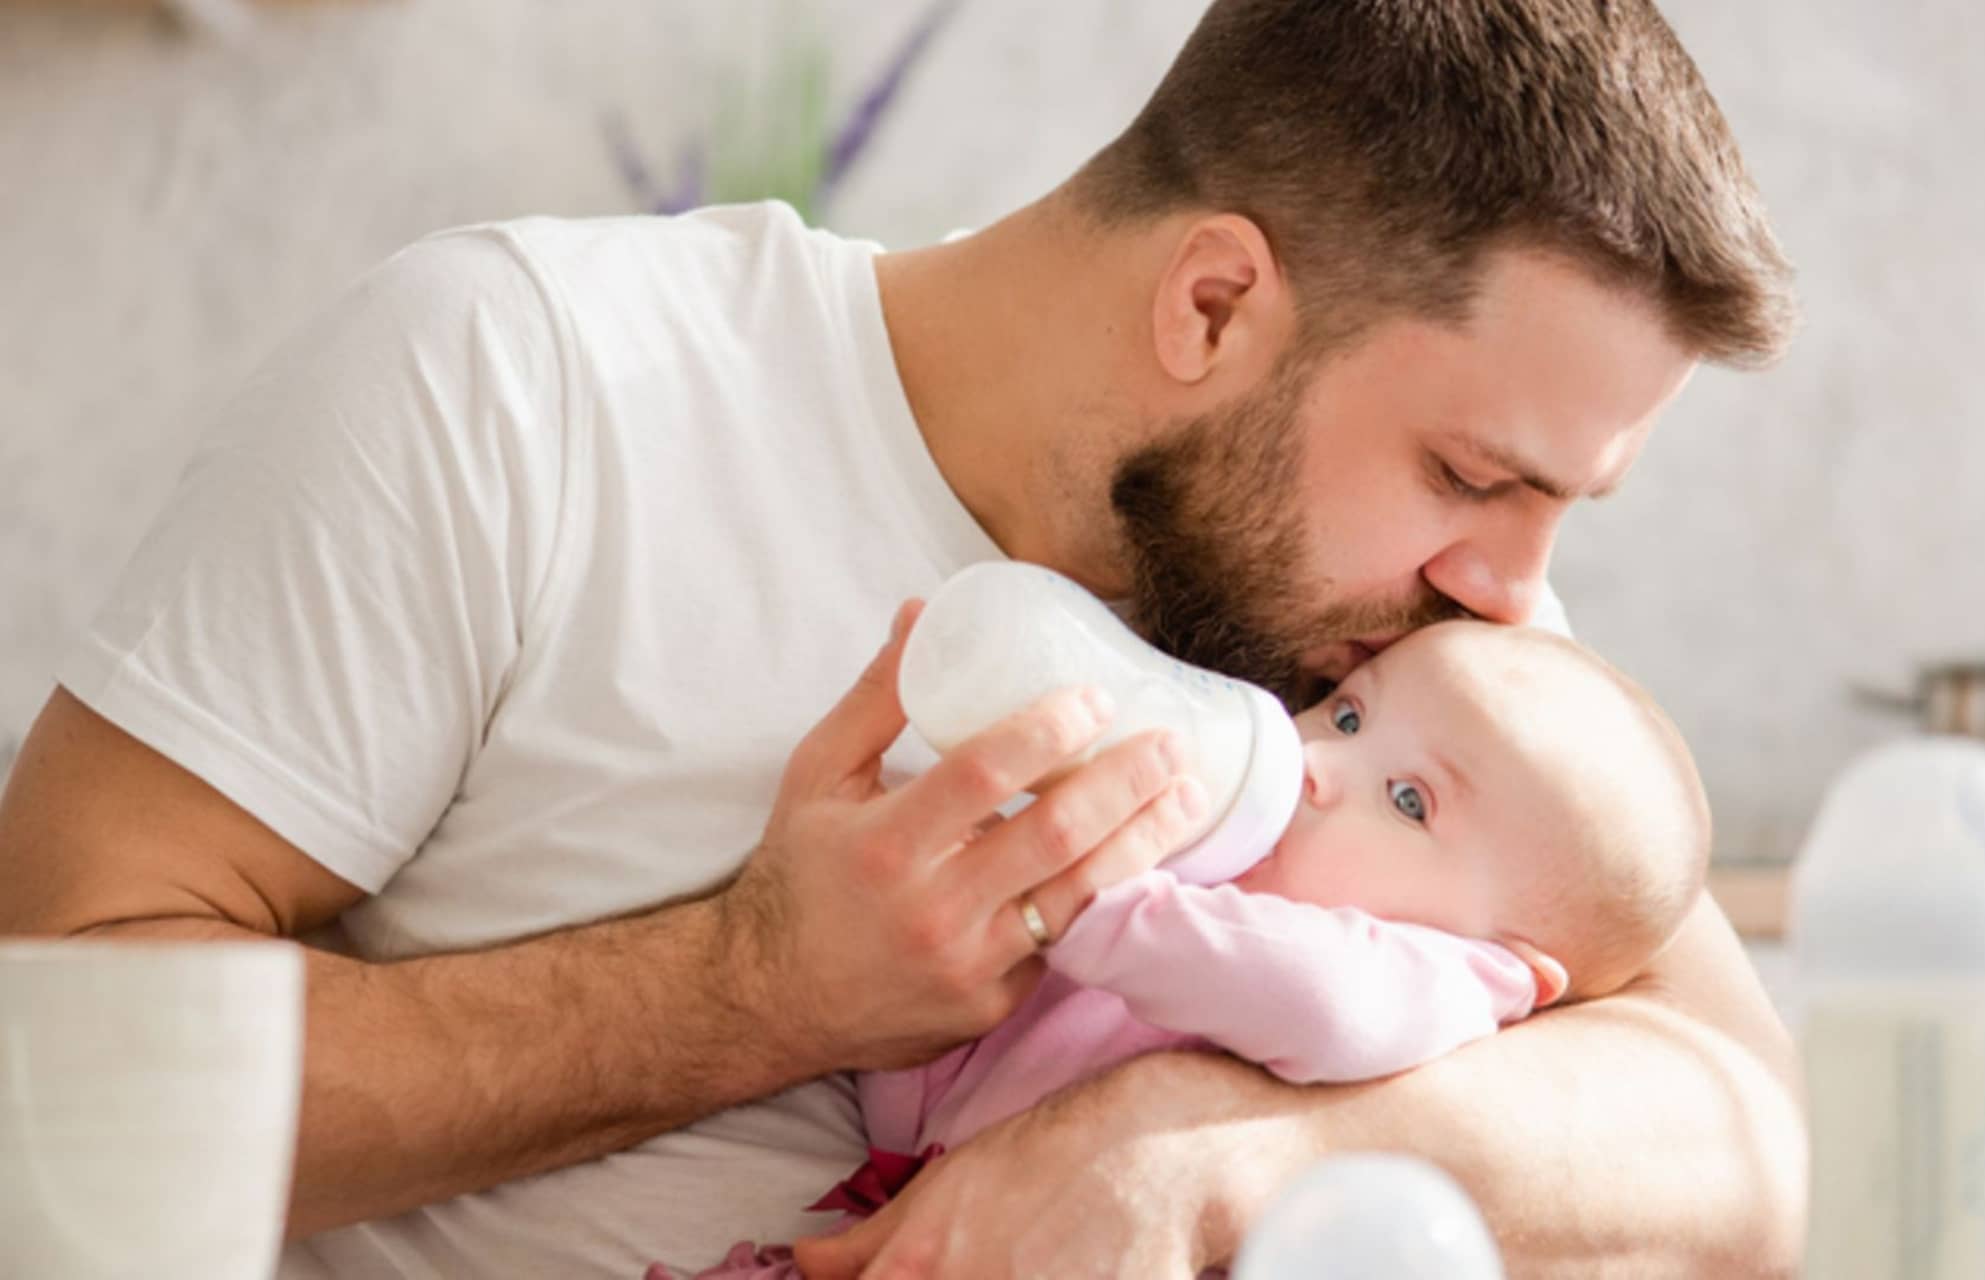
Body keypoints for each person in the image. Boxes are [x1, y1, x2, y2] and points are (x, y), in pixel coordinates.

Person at [0, 0, 1806, 1275]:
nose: (1511, 589)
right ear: (1210, 302)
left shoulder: (1400, 635)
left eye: (1559, 507)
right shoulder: (520, 387)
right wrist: (743, 991)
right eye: (1471, 474)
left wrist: (1190, 1157)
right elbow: (45, 1055)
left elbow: (1738, 1134)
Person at [669, 619, 1712, 1279]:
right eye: (1347, 713)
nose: (1315, 765)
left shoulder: (1433, 981)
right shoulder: (1201, 893)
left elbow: (1318, 999)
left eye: (1408, 800)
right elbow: (924, 1084)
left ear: (1514, 967)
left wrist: (1092, 896)